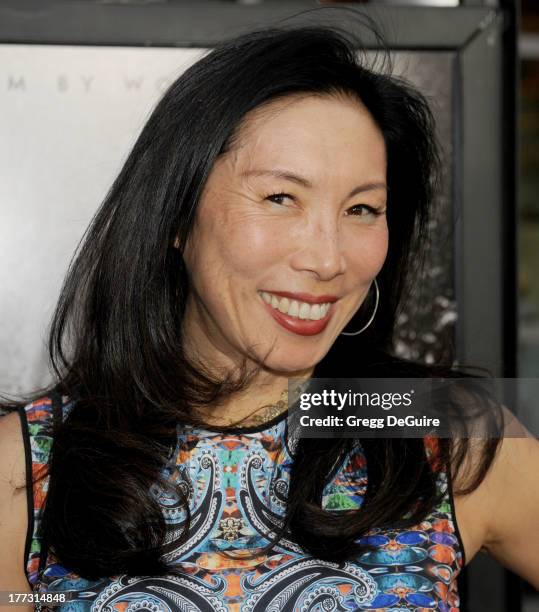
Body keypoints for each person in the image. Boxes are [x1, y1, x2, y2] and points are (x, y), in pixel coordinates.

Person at [0, 23, 538, 612]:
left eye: (362, 208)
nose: (328, 258)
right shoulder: (28, 463)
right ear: (176, 215)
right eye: (281, 198)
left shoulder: (439, 425)